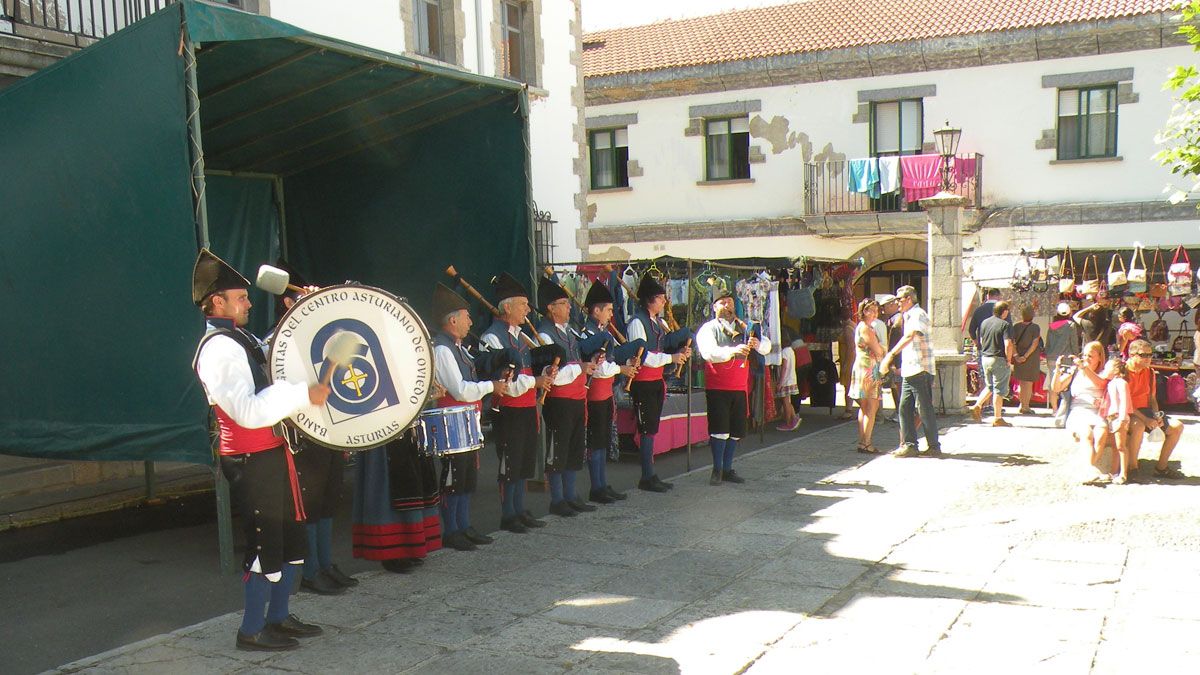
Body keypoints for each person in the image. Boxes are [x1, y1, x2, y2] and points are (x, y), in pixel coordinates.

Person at [191, 249, 330, 652]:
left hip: (272, 453)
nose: (249, 303)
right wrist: (304, 394)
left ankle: (278, 617)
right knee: (262, 544)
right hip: (251, 458)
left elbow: (273, 352)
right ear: (217, 302)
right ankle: (251, 629)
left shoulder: (240, 338)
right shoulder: (219, 349)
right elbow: (249, 412)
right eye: (241, 297)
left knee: (287, 539)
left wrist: (305, 312)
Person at [269, 268, 356, 596]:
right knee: (312, 502)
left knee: (329, 499)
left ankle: (325, 563)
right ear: (289, 301)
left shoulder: (319, 334)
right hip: (303, 432)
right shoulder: (279, 339)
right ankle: (309, 570)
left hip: (330, 428)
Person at [431, 283, 507, 551]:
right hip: (452, 422)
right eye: (466, 316)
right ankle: (451, 530)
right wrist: (490, 387)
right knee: (454, 476)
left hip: (465, 421)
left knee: (467, 477)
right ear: (453, 320)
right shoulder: (442, 349)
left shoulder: (458, 347)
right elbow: (460, 390)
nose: (470, 321)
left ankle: (464, 525)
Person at [480, 273, 556, 532]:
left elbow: (534, 364)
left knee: (523, 461)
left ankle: (520, 509)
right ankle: (508, 513)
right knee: (509, 463)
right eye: (523, 304)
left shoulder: (522, 335)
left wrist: (545, 374)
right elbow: (507, 383)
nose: (527, 309)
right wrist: (535, 382)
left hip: (526, 408)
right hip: (509, 409)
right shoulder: (493, 337)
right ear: (508, 307)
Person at [536, 278, 598, 517]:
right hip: (559, 400)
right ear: (551, 308)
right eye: (563, 303)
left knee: (573, 448)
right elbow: (555, 375)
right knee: (558, 450)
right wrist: (579, 368)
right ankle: (558, 499)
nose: (569, 307)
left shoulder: (568, 331)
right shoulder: (545, 334)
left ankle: (571, 495)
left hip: (575, 398)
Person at [695, 290, 772, 484]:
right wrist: (732, 351)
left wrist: (757, 344)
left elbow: (767, 347)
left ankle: (728, 469)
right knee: (719, 428)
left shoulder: (744, 326)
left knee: (736, 430)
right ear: (714, 307)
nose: (727, 306)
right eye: (722, 303)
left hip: (739, 385)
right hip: (718, 386)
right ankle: (717, 469)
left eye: (729, 302)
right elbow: (708, 353)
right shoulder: (709, 328)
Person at [625, 274, 692, 492]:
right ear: (649, 300)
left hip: (656, 381)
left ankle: (651, 474)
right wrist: (671, 358)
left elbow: (665, 346)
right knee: (646, 429)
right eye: (660, 298)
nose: (664, 302)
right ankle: (646, 475)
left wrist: (680, 350)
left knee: (652, 429)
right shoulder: (637, 322)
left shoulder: (658, 322)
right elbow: (644, 356)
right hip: (643, 382)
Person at [578, 281, 642, 503]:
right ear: (596, 310)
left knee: (603, 441)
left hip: (606, 395)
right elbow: (599, 368)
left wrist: (629, 358)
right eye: (608, 309)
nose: (611, 314)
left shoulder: (603, 332)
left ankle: (602, 484)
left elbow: (613, 358)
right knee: (596, 442)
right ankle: (596, 487)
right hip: (594, 395)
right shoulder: (587, 333)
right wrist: (622, 368)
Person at [879, 285, 940, 458]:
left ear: (908, 299)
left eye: (899, 299)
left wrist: (890, 355)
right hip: (910, 369)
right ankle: (910, 445)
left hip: (920, 368)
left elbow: (911, 335)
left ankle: (934, 446)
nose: (896, 302)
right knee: (904, 408)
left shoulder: (918, 314)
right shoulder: (908, 315)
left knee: (924, 409)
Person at [1124, 339, 1186, 480]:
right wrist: (1145, 419)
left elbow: (1152, 398)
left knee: (1177, 427)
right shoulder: (1124, 371)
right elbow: (1125, 402)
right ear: (1132, 355)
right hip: (1128, 411)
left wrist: (1157, 415)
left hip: (1145, 410)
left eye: (1150, 354)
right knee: (1138, 426)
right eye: (1143, 355)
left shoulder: (1150, 372)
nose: (1148, 358)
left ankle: (1161, 468)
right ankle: (1133, 468)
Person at [1056, 341, 1112, 484]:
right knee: (1086, 434)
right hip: (1078, 410)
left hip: (1097, 412)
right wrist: (1057, 371)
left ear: (1100, 357)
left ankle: (1088, 468)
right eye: (1085, 355)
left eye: (1090, 356)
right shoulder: (1076, 371)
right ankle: (1090, 469)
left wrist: (1084, 368)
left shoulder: (1104, 372)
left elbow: (1101, 383)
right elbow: (1057, 387)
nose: (1086, 358)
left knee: (1102, 431)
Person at [847, 298, 886, 453]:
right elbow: (878, 351)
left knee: (864, 407)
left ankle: (863, 441)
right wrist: (883, 348)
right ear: (864, 311)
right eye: (871, 310)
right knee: (871, 406)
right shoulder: (866, 328)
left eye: (876, 310)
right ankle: (866, 442)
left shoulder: (861, 326)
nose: (875, 313)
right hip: (868, 369)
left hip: (863, 367)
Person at [970, 301, 1015, 427]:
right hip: (999, 358)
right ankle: (997, 417)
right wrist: (1009, 359)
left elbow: (981, 339)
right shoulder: (1005, 324)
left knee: (990, 386)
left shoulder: (985, 322)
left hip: (986, 357)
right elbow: (1008, 344)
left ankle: (977, 405)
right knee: (999, 390)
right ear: (1004, 311)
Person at [1044, 302, 1082, 414]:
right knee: (1065, 385)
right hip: (1067, 358)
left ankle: (1054, 410)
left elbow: (1048, 343)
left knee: (1053, 384)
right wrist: (1076, 355)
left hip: (1052, 357)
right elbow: (1074, 342)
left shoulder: (1051, 326)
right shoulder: (1071, 325)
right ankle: (1064, 410)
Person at [1101, 358, 1133, 485]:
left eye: (1107, 368)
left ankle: (1123, 474)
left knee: (1121, 446)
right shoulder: (1111, 383)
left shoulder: (1121, 382)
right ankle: (1114, 472)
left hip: (1119, 417)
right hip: (1112, 417)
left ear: (1115, 369)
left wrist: (1122, 417)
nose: (1105, 370)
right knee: (1115, 447)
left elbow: (1124, 400)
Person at [1011, 305, 1043, 415]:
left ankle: (1021, 404)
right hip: (1031, 358)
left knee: (1021, 383)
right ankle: (1026, 406)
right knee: (1028, 384)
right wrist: (1026, 356)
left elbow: (1012, 343)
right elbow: (1035, 344)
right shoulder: (1035, 328)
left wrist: (1016, 356)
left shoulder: (1016, 327)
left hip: (1018, 357)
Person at [836, 318, 857, 419]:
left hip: (849, 361)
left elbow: (851, 348)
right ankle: (848, 409)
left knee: (848, 386)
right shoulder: (852, 325)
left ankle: (849, 410)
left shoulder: (848, 329)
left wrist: (846, 364)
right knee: (848, 386)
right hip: (847, 360)